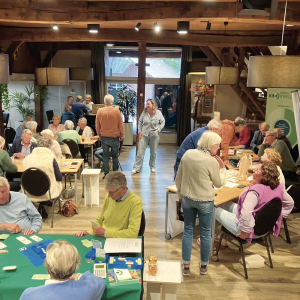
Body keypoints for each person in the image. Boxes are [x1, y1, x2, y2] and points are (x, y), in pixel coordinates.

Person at [175, 131, 226, 276]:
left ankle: (186, 265)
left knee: (188, 230)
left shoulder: (188, 154)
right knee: (205, 233)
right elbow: (219, 183)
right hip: (205, 200)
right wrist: (222, 168)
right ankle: (203, 265)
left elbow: (179, 178)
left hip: (187, 198)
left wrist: (180, 194)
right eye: (217, 146)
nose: (218, 149)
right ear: (211, 145)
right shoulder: (211, 161)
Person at [215, 161, 294, 244]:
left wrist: (246, 231)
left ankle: (207, 239)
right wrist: (276, 218)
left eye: (256, 170)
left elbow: (245, 215)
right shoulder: (279, 186)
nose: (253, 170)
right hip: (262, 226)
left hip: (248, 230)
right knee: (223, 204)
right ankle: (221, 237)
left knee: (212, 209)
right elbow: (290, 203)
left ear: (263, 175)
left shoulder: (254, 192)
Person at [20, 240, 105, 300]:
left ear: (48, 269)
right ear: (75, 267)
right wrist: (79, 276)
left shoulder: (29, 295)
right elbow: (100, 281)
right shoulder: (88, 289)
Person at [76, 171, 143, 238]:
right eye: (107, 191)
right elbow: (99, 220)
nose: (109, 195)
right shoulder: (108, 197)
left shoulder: (135, 202)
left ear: (123, 188)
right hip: (103, 237)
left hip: (118, 241)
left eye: (112, 192)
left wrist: (105, 233)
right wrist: (89, 232)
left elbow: (132, 233)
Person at [23, 137, 62, 204]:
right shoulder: (51, 158)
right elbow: (59, 177)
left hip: (29, 191)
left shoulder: (27, 158)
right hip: (48, 192)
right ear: (49, 146)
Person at [132, 100, 165, 174]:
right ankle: (136, 168)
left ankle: (152, 166)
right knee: (140, 152)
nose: (147, 105)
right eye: (146, 104)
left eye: (148, 104)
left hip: (154, 135)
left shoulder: (158, 113)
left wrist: (158, 129)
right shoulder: (144, 113)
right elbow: (140, 122)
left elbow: (163, 122)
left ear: (153, 105)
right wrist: (139, 132)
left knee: (153, 153)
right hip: (144, 135)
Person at [96, 95, 124, 178]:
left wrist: (99, 134)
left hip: (104, 136)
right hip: (114, 136)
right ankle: (115, 174)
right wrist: (122, 134)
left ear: (104, 102)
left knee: (105, 156)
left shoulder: (100, 111)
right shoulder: (116, 111)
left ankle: (107, 174)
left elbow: (97, 125)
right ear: (112, 101)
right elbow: (120, 124)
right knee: (115, 156)